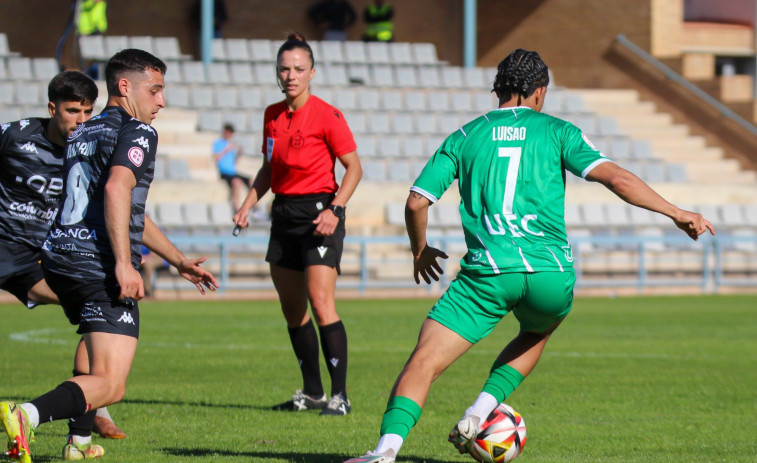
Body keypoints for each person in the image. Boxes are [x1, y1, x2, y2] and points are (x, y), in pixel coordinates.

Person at [344, 49, 715, 463]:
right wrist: (677, 213)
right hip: (550, 274)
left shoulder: (464, 137)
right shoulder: (558, 131)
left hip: (488, 273)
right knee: (537, 332)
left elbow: (416, 203)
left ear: (498, 89)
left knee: (425, 361)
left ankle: (385, 452)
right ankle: (480, 411)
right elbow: (618, 178)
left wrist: (420, 250)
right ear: (539, 92)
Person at [0, 49, 218, 462]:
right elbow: (119, 190)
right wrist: (123, 263)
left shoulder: (83, 130)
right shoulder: (138, 131)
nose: (161, 101)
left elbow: (119, 203)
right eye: (155, 90)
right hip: (96, 263)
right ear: (125, 87)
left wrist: (176, 259)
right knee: (112, 385)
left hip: (60, 257)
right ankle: (24, 414)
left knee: (92, 344)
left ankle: (79, 443)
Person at [233, 33, 362, 416]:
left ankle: (339, 397)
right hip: (284, 215)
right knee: (293, 309)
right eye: (284, 69)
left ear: (312, 73)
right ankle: (313, 392)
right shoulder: (272, 115)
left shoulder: (328, 115)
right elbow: (269, 170)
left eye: (299, 69)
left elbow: (354, 169)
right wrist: (247, 203)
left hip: (321, 215)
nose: (291, 75)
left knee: (321, 303)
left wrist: (334, 211)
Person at [0, 70, 126, 440]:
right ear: (52, 108)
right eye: (73, 111)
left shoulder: (91, 152)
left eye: (88, 112)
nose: (81, 121)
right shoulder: (14, 135)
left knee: (98, 309)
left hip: (38, 260)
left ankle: (88, 414)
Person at [213, 123, 251, 210]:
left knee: (251, 180)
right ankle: (237, 208)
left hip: (232, 172)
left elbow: (234, 162)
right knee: (237, 182)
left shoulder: (231, 144)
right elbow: (216, 158)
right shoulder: (218, 143)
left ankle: (255, 207)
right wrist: (226, 150)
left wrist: (239, 153)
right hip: (224, 172)